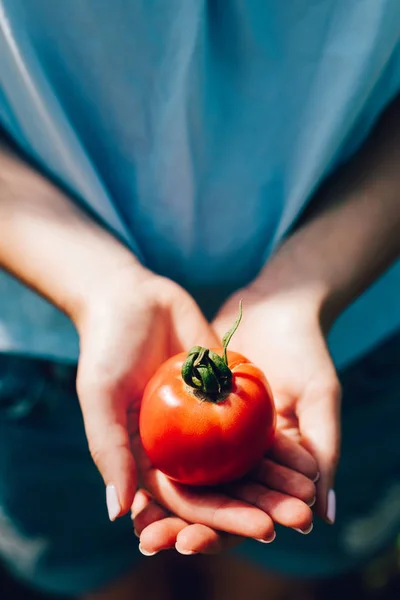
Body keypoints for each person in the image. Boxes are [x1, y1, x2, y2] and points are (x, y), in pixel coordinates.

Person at [0, 1, 399, 599]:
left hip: (347, 340)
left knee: (276, 583)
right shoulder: (240, 390)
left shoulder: (222, 389)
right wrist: (94, 284)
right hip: (36, 351)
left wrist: (312, 281)